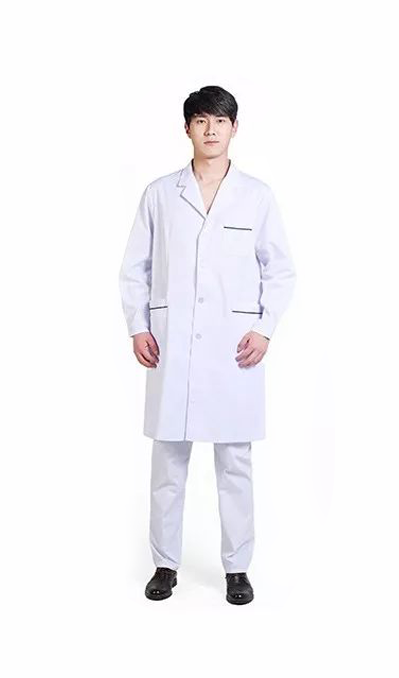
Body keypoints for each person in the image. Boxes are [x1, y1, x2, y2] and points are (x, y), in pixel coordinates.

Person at [118, 85, 296, 605]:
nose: (211, 130)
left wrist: (264, 328)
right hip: (170, 345)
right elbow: (135, 267)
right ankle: (165, 564)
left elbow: (280, 270)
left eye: (220, 121)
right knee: (168, 463)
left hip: (233, 349)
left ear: (234, 128)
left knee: (235, 462)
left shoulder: (256, 196)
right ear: (188, 129)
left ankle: (237, 569)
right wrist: (138, 325)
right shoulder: (160, 194)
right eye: (201, 121)